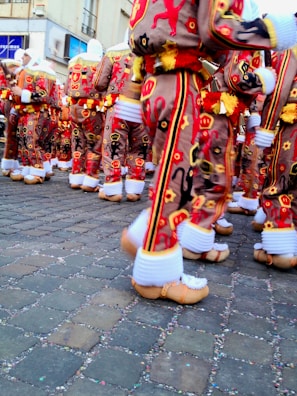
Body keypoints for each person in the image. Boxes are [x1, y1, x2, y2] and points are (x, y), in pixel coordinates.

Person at [121, 0, 297, 305]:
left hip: (159, 84)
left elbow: (140, 37)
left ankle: (144, 235)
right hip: (181, 82)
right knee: (178, 182)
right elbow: (217, 28)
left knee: (173, 178)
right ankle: (155, 271)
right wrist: (274, 31)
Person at [252, 45, 297, 270]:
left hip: (293, 129)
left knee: (278, 186)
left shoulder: (291, 50)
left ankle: (280, 250)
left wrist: (267, 127)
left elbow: (279, 91)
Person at [93, 35, 150, 202]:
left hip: (118, 106)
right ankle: (135, 190)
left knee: (113, 147)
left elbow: (99, 82)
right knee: (139, 148)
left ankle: (113, 189)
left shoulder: (113, 52)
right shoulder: (151, 53)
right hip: (142, 107)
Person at [66, 39, 104, 192]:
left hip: (73, 107)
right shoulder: (98, 63)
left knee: (77, 141)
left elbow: (66, 87)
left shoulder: (74, 62)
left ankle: (76, 176)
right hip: (91, 108)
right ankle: (90, 178)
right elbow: (102, 84)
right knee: (95, 144)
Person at [0, 54, 23, 176]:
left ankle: (11, 163)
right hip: (10, 103)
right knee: (11, 133)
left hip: (13, 103)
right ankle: (8, 164)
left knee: (14, 134)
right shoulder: (8, 73)